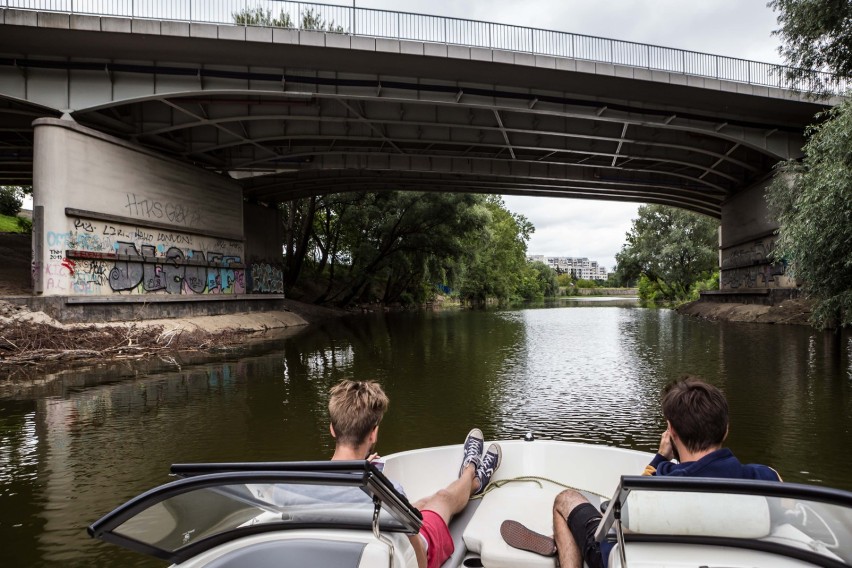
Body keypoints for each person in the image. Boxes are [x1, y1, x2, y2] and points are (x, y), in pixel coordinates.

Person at [501, 375, 781, 568]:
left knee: (566, 499)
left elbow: (616, 514)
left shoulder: (657, 489)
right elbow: (778, 487)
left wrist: (661, 456)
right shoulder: (763, 479)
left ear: (671, 431)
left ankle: (567, 553)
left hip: (635, 557)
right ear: (726, 429)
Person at [327, 379, 502, 568]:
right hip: (399, 555)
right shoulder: (387, 493)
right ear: (373, 434)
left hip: (346, 553)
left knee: (420, 505)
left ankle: (469, 479)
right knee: (442, 498)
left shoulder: (299, 484)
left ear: (332, 430)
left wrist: (360, 466)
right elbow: (419, 557)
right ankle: (472, 475)